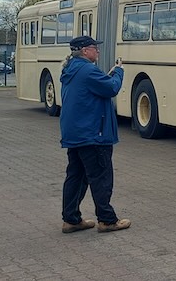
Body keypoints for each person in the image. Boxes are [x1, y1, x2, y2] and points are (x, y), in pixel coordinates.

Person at [60, 35, 130, 233]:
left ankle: (71, 219)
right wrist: (118, 72)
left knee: (76, 177)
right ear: (84, 51)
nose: (98, 51)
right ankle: (107, 220)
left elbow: (95, 89)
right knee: (101, 177)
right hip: (93, 133)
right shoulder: (88, 70)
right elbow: (111, 88)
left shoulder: (70, 69)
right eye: (94, 47)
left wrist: (108, 76)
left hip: (75, 133)